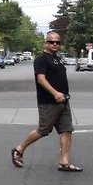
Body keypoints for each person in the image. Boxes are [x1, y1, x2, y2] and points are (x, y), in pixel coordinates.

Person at [12, 33, 81, 172]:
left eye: (57, 42)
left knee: (67, 130)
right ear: (46, 43)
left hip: (63, 100)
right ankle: (19, 150)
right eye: (51, 42)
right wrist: (55, 93)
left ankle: (64, 162)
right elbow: (41, 79)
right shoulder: (41, 59)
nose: (54, 44)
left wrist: (62, 95)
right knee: (43, 130)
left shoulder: (57, 59)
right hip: (49, 102)